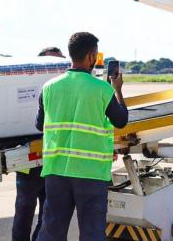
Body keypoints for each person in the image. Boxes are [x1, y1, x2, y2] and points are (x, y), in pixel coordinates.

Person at [35, 32, 128, 241]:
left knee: (52, 231)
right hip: (91, 173)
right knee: (92, 232)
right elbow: (121, 120)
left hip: (56, 171)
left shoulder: (49, 87)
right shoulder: (102, 89)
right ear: (91, 55)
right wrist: (118, 90)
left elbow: (40, 125)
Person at [12, 47, 66, 241]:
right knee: (24, 209)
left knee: (49, 213)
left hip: (52, 161)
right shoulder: (30, 89)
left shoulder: (60, 89)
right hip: (29, 158)